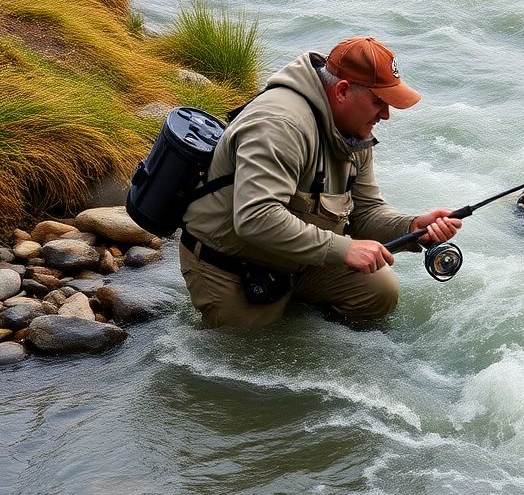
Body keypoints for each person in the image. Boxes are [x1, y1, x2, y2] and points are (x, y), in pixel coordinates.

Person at [179, 36, 461, 328]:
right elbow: (256, 217)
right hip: (230, 263)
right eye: (378, 101)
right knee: (248, 349)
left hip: (301, 259)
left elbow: (365, 212)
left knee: (379, 291)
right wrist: (344, 249)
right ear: (342, 91)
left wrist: (412, 228)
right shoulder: (279, 125)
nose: (386, 115)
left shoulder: (354, 131)